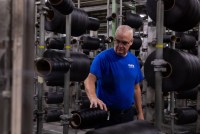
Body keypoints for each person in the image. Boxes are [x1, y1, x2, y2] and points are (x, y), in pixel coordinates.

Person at [84, 25, 144, 128]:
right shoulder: (102, 58)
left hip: (127, 115)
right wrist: (93, 97)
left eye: (124, 43)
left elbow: (136, 88)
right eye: (117, 41)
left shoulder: (134, 60)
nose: (120, 45)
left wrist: (140, 112)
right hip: (106, 115)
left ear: (131, 42)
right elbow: (89, 79)